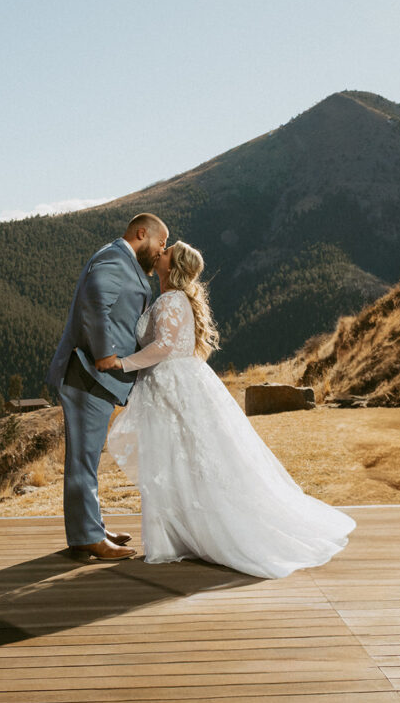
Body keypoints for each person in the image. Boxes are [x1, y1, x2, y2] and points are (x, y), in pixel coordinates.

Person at [106, 241, 356, 578]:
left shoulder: (169, 300)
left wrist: (122, 363)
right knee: (181, 460)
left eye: (166, 252)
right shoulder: (176, 299)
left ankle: (176, 539)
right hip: (181, 384)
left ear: (173, 266)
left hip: (170, 387)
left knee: (170, 460)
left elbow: (163, 347)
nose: (160, 252)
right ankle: (177, 536)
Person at [46, 213, 168, 561]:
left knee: (87, 458)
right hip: (87, 373)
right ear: (141, 233)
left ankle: (92, 528)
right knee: (82, 459)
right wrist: (106, 354)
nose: (161, 250)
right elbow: (96, 301)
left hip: (93, 377)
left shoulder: (123, 259)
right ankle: (87, 538)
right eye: (160, 242)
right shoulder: (115, 258)